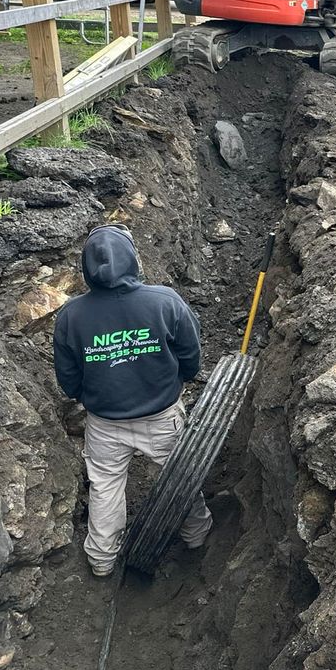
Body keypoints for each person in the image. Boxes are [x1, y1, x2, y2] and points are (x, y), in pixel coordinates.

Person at [53, 224, 211, 577]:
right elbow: (190, 354)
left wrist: (89, 396)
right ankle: (197, 537)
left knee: (105, 488)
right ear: (133, 260)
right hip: (161, 415)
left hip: (105, 423)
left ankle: (102, 560)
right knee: (179, 477)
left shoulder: (71, 316)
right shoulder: (164, 301)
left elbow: (68, 378)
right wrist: (179, 380)